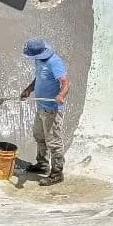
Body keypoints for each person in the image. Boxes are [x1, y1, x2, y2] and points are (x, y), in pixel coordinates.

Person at [20, 37, 69, 187]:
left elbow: (66, 82)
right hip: (41, 106)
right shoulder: (39, 61)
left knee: (53, 142)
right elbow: (39, 78)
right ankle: (42, 164)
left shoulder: (55, 62)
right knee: (39, 136)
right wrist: (29, 89)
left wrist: (61, 95)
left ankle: (56, 173)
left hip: (52, 110)